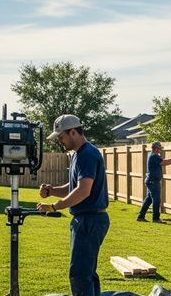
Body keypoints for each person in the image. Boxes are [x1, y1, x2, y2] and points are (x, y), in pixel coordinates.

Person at [36, 114, 110, 296]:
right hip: (88, 219)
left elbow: (83, 191)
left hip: (89, 220)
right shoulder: (78, 154)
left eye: (61, 137)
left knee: (79, 274)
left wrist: (54, 206)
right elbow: (74, 187)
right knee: (87, 273)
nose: (60, 141)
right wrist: (52, 190)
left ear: (73, 132)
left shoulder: (87, 154)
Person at [137, 141, 171, 223]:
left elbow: (164, 160)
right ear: (156, 148)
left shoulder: (153, 155)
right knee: (156, 200)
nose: (160, 150)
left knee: (149, 200)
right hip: (153, 182)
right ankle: (156, 219)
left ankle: (140, 216)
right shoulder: (154, 156)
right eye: (160, 148)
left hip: (151, 181)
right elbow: (164, 163)